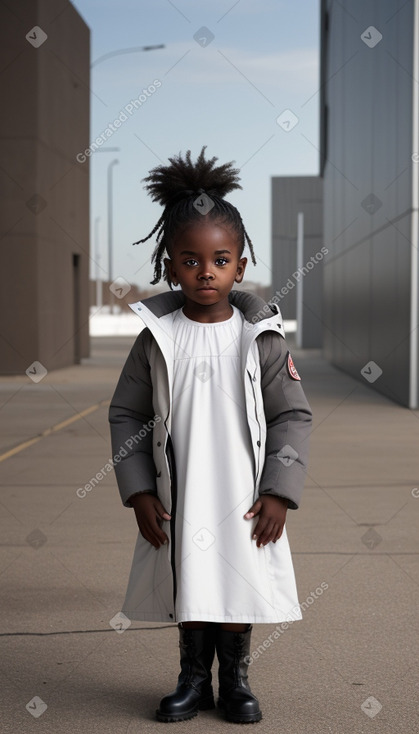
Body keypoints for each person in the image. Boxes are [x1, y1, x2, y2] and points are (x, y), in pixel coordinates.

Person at [109, 147, 312, 724]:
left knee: (236, 584)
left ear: (240, 267)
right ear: (170, 264)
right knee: (192, 586)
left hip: (244, 495)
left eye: (220, 259)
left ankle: (236, 682)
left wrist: (280, 489)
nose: (206, 271)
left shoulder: (262, 337)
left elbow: (292, 417)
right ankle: (193, 679)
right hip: (182, 491)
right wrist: (139, 490)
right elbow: (126, 413)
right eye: (191, 259)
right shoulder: (156, 338)